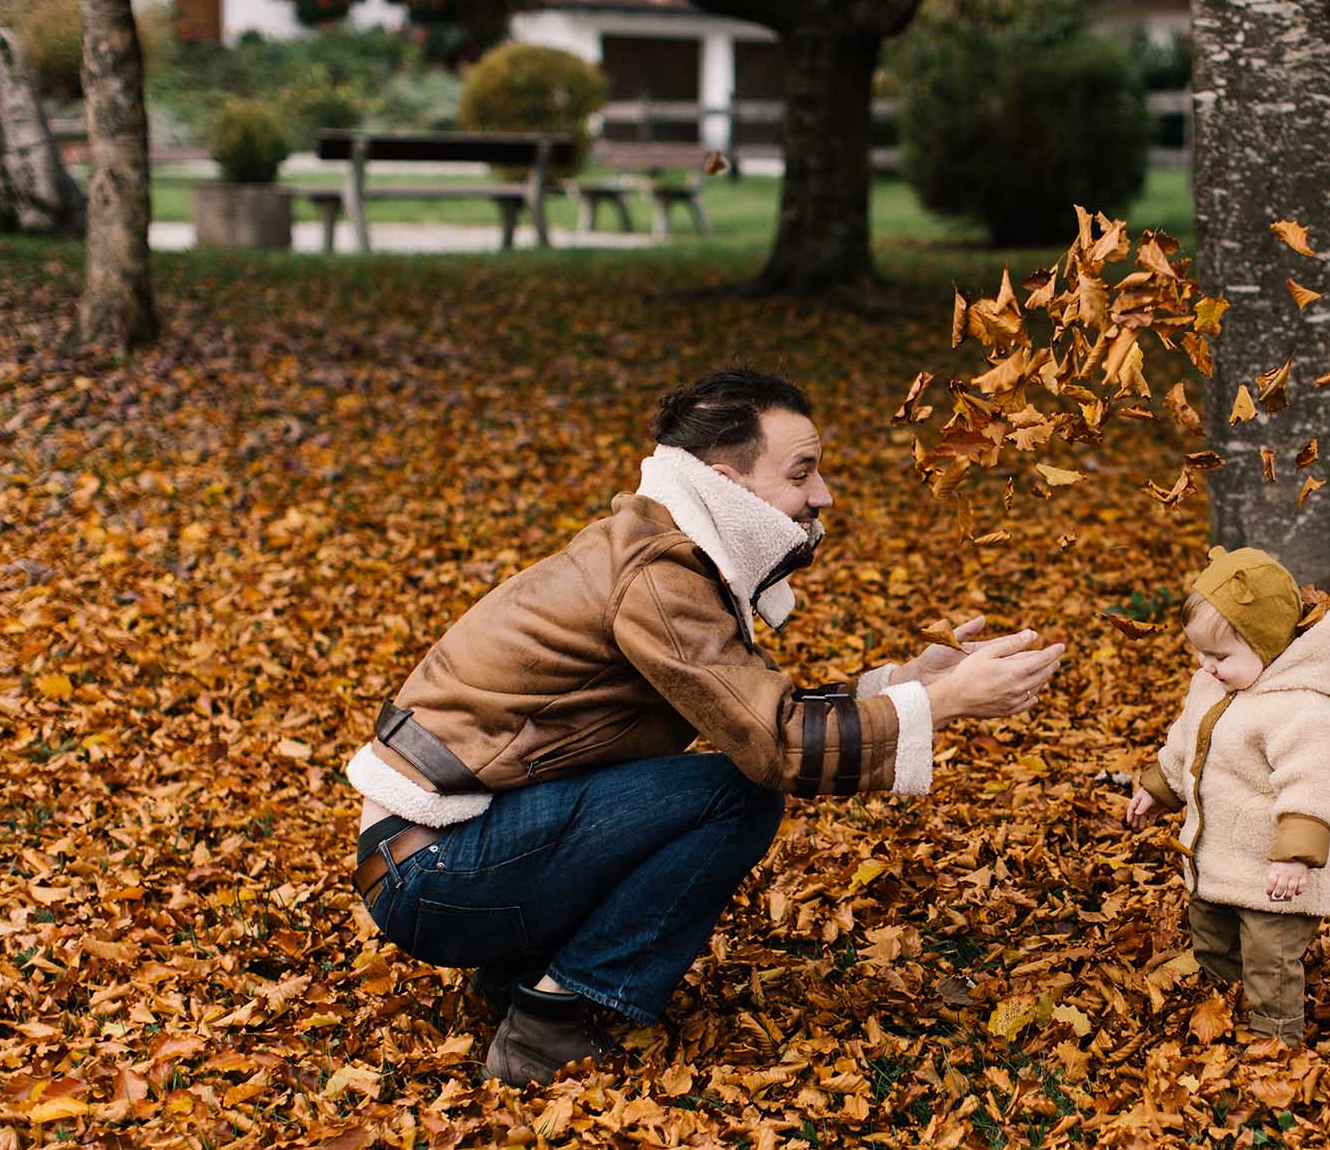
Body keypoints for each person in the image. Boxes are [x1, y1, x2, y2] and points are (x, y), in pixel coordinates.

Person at [346, 368, 1066, 1086]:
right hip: (433, 878)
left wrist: (911, 683)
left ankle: (518, 974)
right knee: (739, 794)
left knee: (715, 783)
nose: (823, 495)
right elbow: (774, 747)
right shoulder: (661, 572)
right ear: (728, 482)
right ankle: (546, 1021)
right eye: (802, 472)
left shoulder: (661, 548)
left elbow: (748, 715)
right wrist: (946, 704)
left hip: (438, 857)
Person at [1121, 547, 1330, 1045]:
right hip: (1221, 856)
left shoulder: (1305, 711)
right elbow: (1187, 743)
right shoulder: (1213, 688)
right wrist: (1158, 788)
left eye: (1219, 656)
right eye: (1200, 654)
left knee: (1269, 956)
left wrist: (1295, 858)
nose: (1205, 667)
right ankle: (1220, 1004)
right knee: (1211, 931)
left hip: (1277, 873)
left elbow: (1313, 786)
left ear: (1270, 646)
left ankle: (1275, 1037)